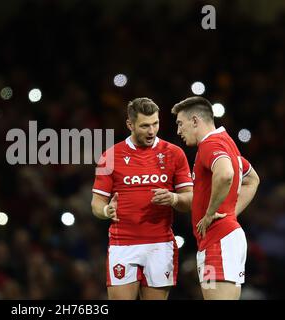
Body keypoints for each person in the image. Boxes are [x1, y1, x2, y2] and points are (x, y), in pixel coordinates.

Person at [91, 97, 193, 300]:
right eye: (145, 125)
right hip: (123, 245)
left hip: (160, 245)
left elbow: (189, 200)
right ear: (130, 124)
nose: (152, 131)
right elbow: (96, 203)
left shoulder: (175, 153)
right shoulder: (110, 156)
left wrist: (173, 198)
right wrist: (105, 211)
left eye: (155, 123)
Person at [171, 96, 260, 300]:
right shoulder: (227, 143)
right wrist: (230, 214)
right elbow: (252, 180)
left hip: (218, 241)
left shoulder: (210, 145)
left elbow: (226, 174)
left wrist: (211, 213)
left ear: (195, 121)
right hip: (222, 239)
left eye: (180, 123)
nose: (178, 131)